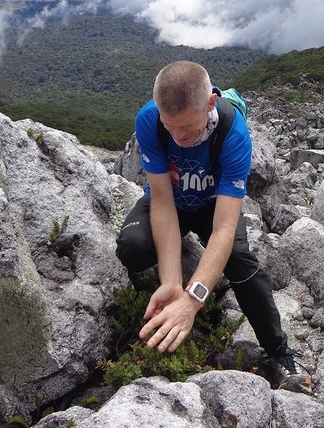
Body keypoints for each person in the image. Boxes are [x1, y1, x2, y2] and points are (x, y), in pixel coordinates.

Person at [115, 60, 308, 391]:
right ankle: (165, 284)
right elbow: (161, 202)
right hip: (172, 202)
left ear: (210, 104)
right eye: (171, 126)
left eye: (187, 128)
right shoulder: (150, 119)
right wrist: (173, 281)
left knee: (243, 266)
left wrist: (193, 300)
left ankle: (279, 354)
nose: (179, 136)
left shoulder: (233, 133)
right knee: (131, 247)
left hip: (211, 207)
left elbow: (223, 228)